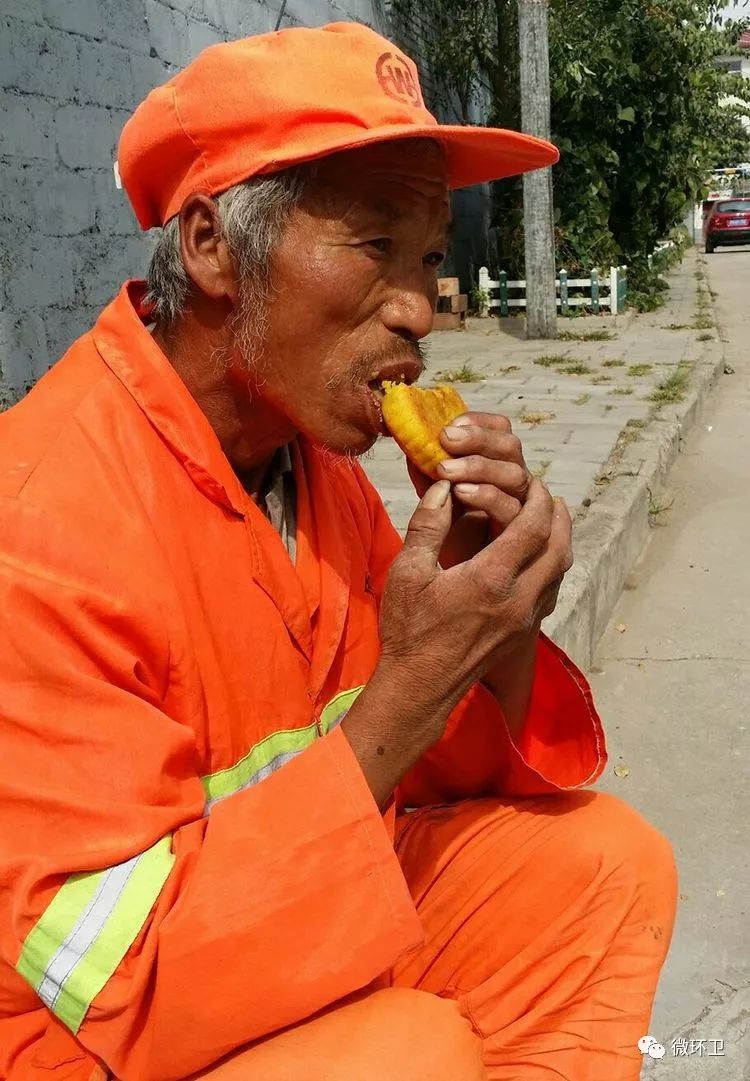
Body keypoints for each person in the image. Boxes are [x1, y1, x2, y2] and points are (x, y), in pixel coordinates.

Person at [0, 22, 676, 1081]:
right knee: (410, 1051)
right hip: (93, 1035)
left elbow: (429, 777)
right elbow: (124, 984)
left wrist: (492, 619)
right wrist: (412, 682)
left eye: (431, 259)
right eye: (373, 247)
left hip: (281, 924)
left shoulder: (307, 462)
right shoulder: (38, 528)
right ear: (214, 246)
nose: (421, 311)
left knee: (608, 867)